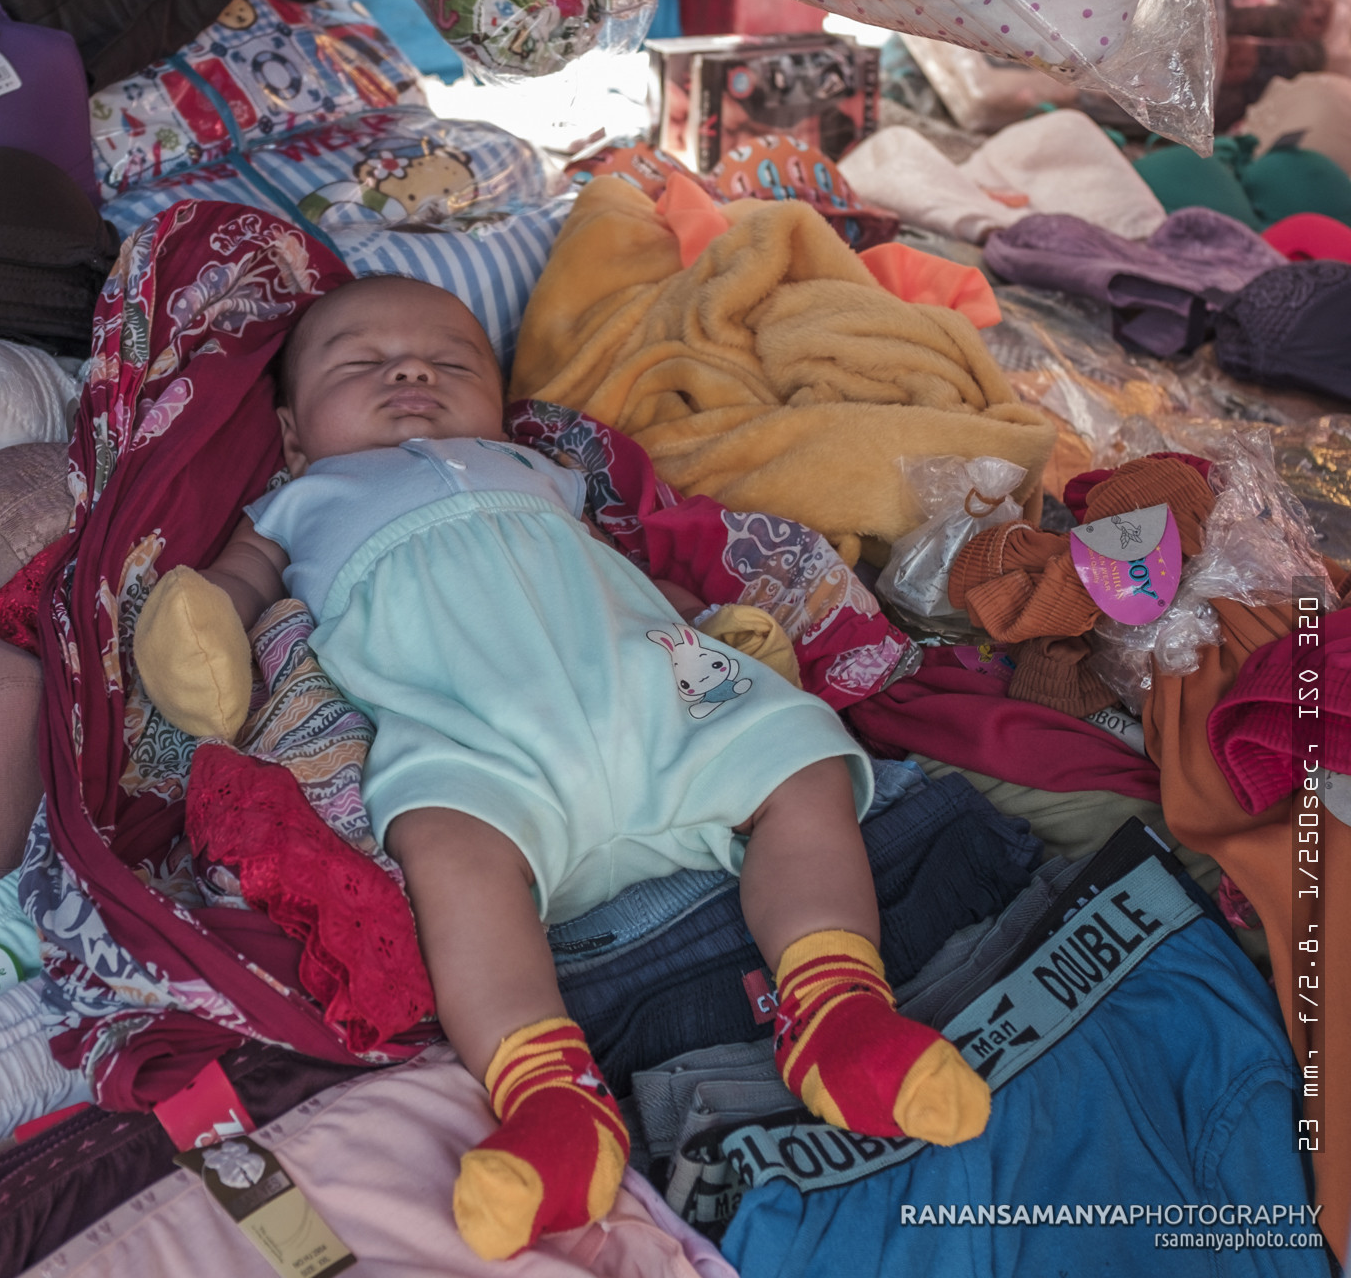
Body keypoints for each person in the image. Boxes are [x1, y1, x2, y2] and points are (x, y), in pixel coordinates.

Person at [134, 275, 990, 1260]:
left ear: (497, 402)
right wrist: (198, 629)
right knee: (446, 853)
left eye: (450, 361)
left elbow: (619, 570)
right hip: (472, 739)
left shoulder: (535, 467)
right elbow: (231, 587)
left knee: (800, 761)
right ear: (291, 435)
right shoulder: (297, 500)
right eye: (363, 363)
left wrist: (702, 623)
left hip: (648, 693)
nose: (411, 373)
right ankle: (551, 1096)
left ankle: (835, 1007)